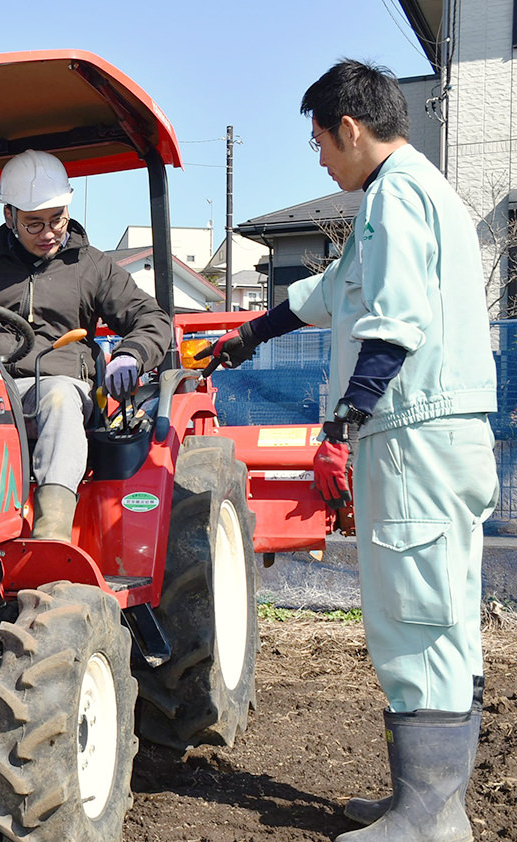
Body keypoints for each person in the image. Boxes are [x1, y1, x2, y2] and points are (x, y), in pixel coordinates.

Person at [198, 60, 497, 842]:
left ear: (350, 129)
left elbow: (392, 320)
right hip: (444, 437)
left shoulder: (397, 195)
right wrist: (249, 335)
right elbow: (336, 289)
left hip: (415, 437)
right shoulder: (409, 198)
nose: (320, 157)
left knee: (415, 614)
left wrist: (344, 420)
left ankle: (429, 816)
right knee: (443, 610)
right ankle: (429, 801)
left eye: (320, 140)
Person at [0, 149, 171, 540]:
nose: (49, 233)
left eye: (57, 220)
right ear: (9, 216)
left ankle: (52, 535)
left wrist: (131, 354)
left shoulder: (90, 265)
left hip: (61, 385)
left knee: (59, 398)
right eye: (34, 224)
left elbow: (150, 318)